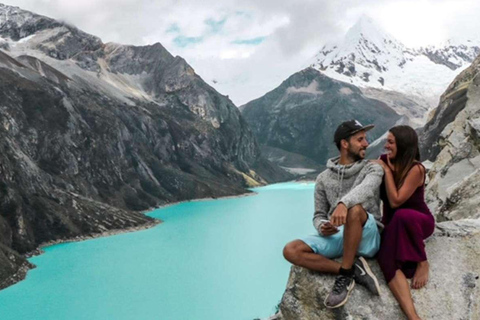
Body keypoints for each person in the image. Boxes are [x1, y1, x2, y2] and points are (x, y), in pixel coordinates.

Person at [283, 119, 384, 309]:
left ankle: (344, 276)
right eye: (360, 139)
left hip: (368, 234)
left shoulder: (372, 168)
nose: (366, 143)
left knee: (355, 210)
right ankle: (354, 270)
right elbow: (319, 214)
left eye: (365, 139)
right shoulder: (323, 178)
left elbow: (367, 189)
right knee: (291, 250)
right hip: (339, 236)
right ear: (345, 144)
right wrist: (322, 226)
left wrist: (343, 204)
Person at [373, 125, 435, 320]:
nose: (386, 145)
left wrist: (388, 173)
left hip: (418, 221)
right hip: (394, 224)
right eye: (387, 141)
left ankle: (422, 262)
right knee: (385, 259)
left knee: (402, 215)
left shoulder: (416, 169)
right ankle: (412, 316)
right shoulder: (383, 161)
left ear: (403, 145)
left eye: (391, 142)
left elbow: (396, 201)